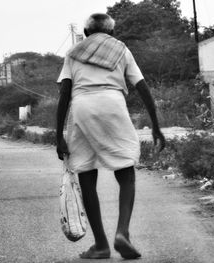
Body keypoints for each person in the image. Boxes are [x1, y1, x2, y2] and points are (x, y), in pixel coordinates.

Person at [56, 13, 165, 260]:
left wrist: (58, 135)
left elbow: (65, 93)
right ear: (112, 33)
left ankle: (101, 245)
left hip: (82, 107)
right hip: (112, 104)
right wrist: (155, 126)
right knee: (126, 170)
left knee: (85, 171)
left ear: (85, 33)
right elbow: (142, 87)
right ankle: (122, 232)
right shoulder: (121, 50)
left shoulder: (73, 53)